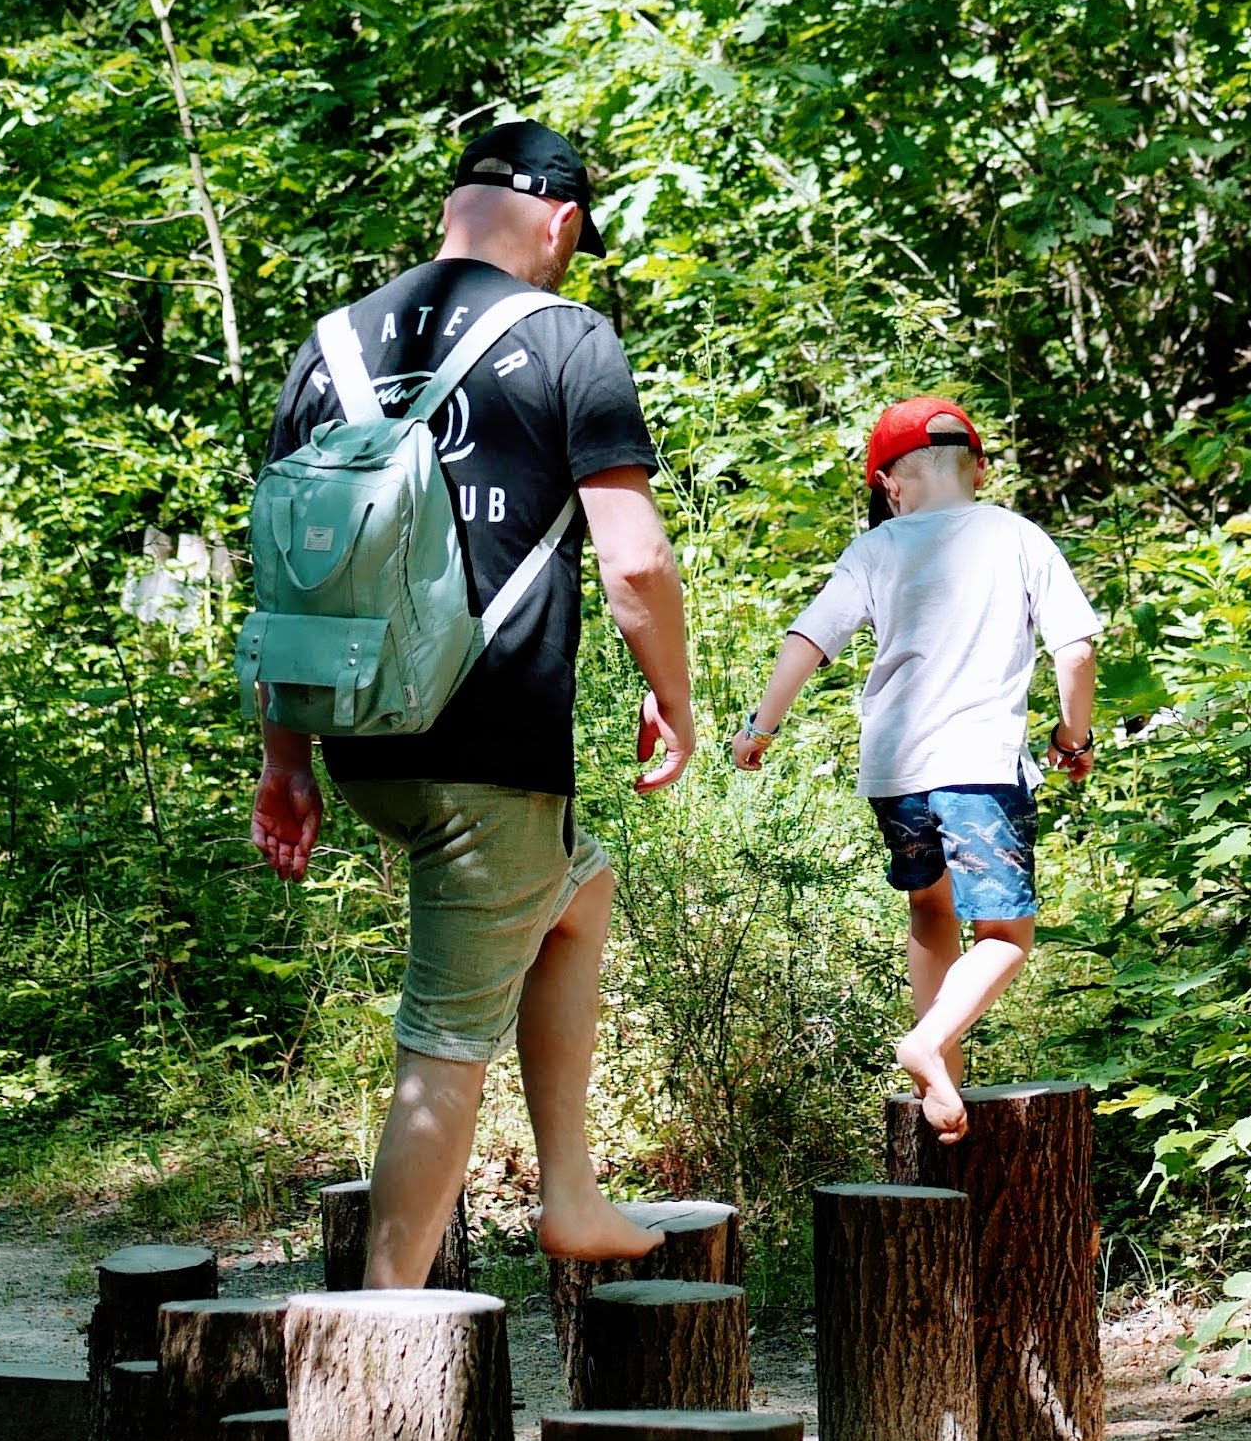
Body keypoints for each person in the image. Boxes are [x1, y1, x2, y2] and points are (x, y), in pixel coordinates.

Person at [249, 120, 695, 1283]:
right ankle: (382, 1317)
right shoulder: (567, 337)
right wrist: (673, 698)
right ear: (559, 221)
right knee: (445, 1037)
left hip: (361, 735)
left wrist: (285, 760)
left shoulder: (331, 345)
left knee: (577, 892)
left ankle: (570, 1191)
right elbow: (635, 560)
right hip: (490, 739)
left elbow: (290, 565)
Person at [730, 397, 1098, 1141]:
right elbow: (1077, 649)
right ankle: (927, 1044)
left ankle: (944, 1085)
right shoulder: (1018, 536)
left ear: (890, 483)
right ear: (980, 468)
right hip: (979, 766)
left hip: (896, 771)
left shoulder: (877, 549)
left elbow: (809, 638)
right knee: (1004, 936)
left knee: (931, 912)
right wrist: (1073, 736)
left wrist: (759, 726)